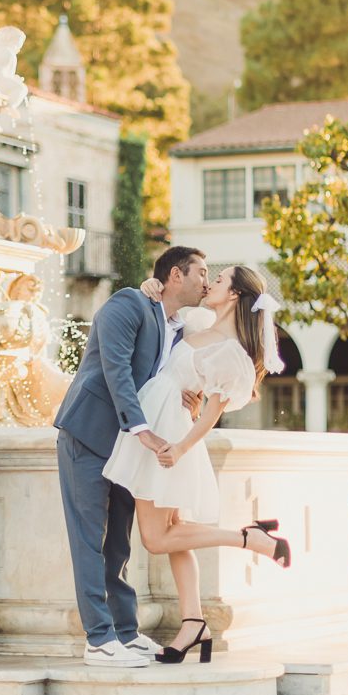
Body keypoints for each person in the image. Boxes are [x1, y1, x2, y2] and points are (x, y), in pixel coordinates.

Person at [107, 264, 291, 665]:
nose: (211, 283)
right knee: (172, 533)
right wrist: (150, 286)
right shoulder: (197, 320)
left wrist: (180, 448)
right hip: (159, 414)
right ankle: (194, 622)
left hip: (171, 432)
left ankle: (250, 539)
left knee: (157, 539)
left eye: (220, 279)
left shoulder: (230, 352)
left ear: (236, 295)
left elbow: (212, 412)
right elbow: (166, 321)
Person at [52, 246, 208, 667]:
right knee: (89, 540)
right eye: (201, 271)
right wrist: (142, 430)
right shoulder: (129, 302)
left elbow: (162, 379)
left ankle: (124, 629)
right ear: (176, 275)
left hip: (129, 449)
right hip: (90, 432)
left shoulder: (180, 326)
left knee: (118, 542)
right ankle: (99, 639)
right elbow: (116, 368)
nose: (206, 280)